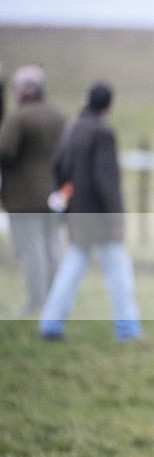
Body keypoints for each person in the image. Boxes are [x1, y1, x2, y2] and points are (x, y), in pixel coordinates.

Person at [39, 81, 142, 341]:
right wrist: (117, 219)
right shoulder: (102, 132)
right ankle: (128, 329)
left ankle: (50, 324)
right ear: (110, 104)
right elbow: (106, 181)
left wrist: (67, 199)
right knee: (119, 275)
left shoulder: (73, 127)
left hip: (77, 215)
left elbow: (58, 166)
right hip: (100, 219)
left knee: (70, 270)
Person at [0, 64, 67, 315]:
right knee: (52, 248)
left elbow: (4, 151)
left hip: (24, 197)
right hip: (54, 195)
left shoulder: (18, 118)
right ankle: (55, 299)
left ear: (25, 91)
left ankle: (36, 301)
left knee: (33, 252)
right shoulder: (59, 115)